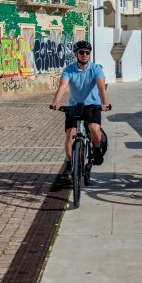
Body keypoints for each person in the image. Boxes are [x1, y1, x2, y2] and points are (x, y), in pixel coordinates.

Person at [49, 40, 111, 179]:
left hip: (93, 106)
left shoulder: (96, 69)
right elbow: (62, 87)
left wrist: (105, 103)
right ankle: (69, 164)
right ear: (76, 54)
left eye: (87, 52)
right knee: (70, 133)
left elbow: (101, 88)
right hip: (75, 107)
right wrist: (56, 102)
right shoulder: (69, 70)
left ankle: (96, 149)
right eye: (81, 52)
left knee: (94, 128)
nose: (84, 55)